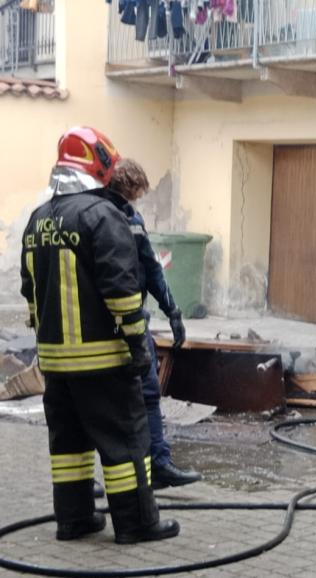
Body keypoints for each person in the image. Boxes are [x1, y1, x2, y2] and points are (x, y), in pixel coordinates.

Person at [20, 127, 180, 544]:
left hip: (55, 363)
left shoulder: (38, 220)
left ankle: (73, 520)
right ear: (99, 164)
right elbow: (122, 290)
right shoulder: (103, 216)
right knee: (126, 442)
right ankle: (137, 524)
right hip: (103, 360)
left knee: (69, 446)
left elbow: (30, 291)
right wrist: (137, 345)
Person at [106, 159, 202, 489]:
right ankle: (137, 469)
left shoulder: (132, 218)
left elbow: (151, 267)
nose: (135, 200)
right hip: (112, 326)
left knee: (147, 395)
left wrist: (172, 311)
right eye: (133, 192)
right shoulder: (103, 217)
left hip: (134, 321)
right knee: (115, 401)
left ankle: (157, 463)